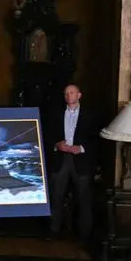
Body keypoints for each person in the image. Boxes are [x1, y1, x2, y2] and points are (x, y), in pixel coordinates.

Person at [44, 84, 99, 242]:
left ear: (79, 95)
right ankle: (53, 231)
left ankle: (84, 235)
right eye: (66, 93)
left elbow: (96, 137)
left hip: (81, 160)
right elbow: (46, 134)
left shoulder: (90, 115)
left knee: (84, 198)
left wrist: (80, 148)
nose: (68, 95)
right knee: (56, 196)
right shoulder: (55, 113)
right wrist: (56, 145)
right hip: (60, 158)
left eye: (72, 92)